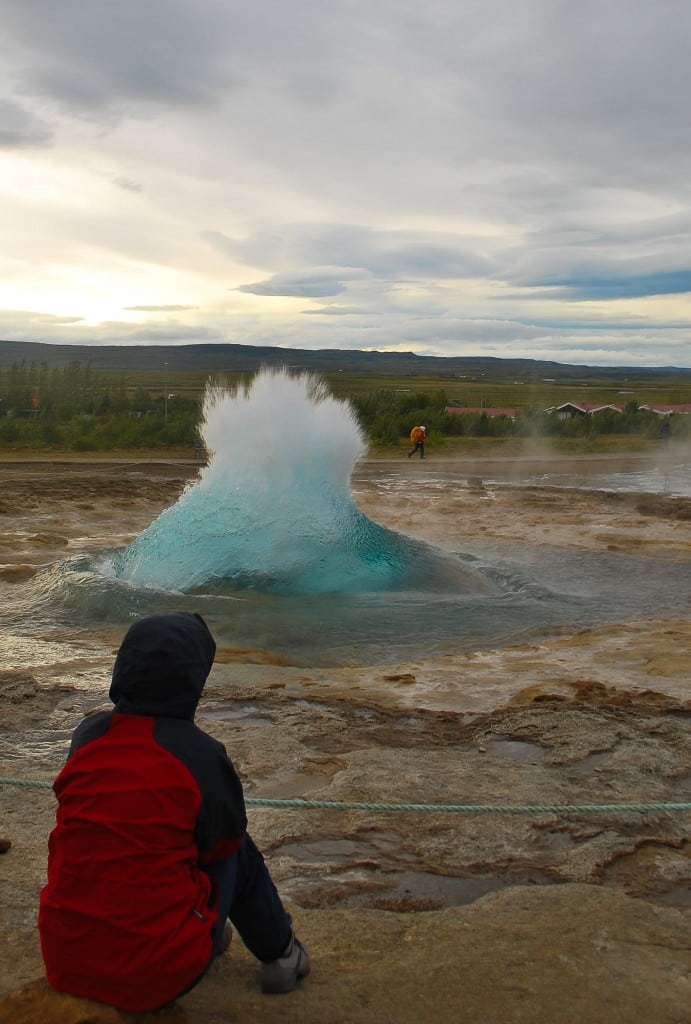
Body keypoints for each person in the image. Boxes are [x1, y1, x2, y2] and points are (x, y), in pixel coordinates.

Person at [38, 611, 310, 1013]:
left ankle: (205, 926)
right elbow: (222, 846)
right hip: (155, 974)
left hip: (64, 957)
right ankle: (282, 956)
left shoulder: (88, 736)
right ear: (192, 680)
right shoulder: (200, 755)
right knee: (236, 848)